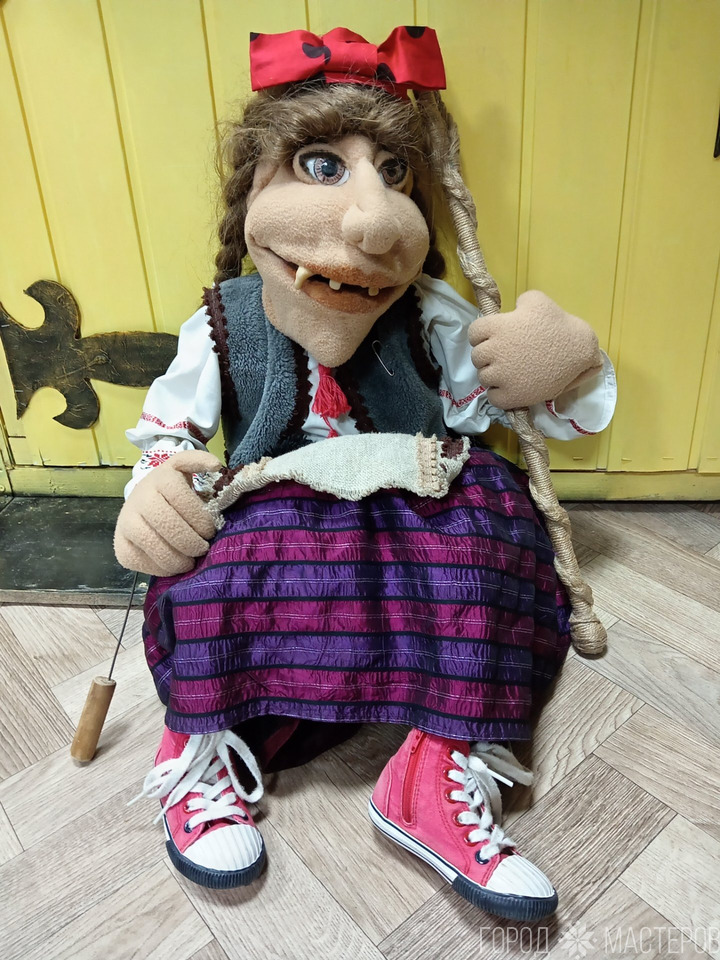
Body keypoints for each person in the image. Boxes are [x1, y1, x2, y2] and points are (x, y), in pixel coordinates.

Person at [115, 27, 616, 921]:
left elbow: (503, 411)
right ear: (254, 188)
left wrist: (562, 370)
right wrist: (155, 485)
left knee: (490, 551)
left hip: (415, 486)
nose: (375, 220)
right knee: (207, 578)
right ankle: (201, 742)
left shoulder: (430, 313)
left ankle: (436, 771)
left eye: (394, 173)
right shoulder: (224, 319)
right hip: (275, 497)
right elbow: (170, 429)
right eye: (321, 166)